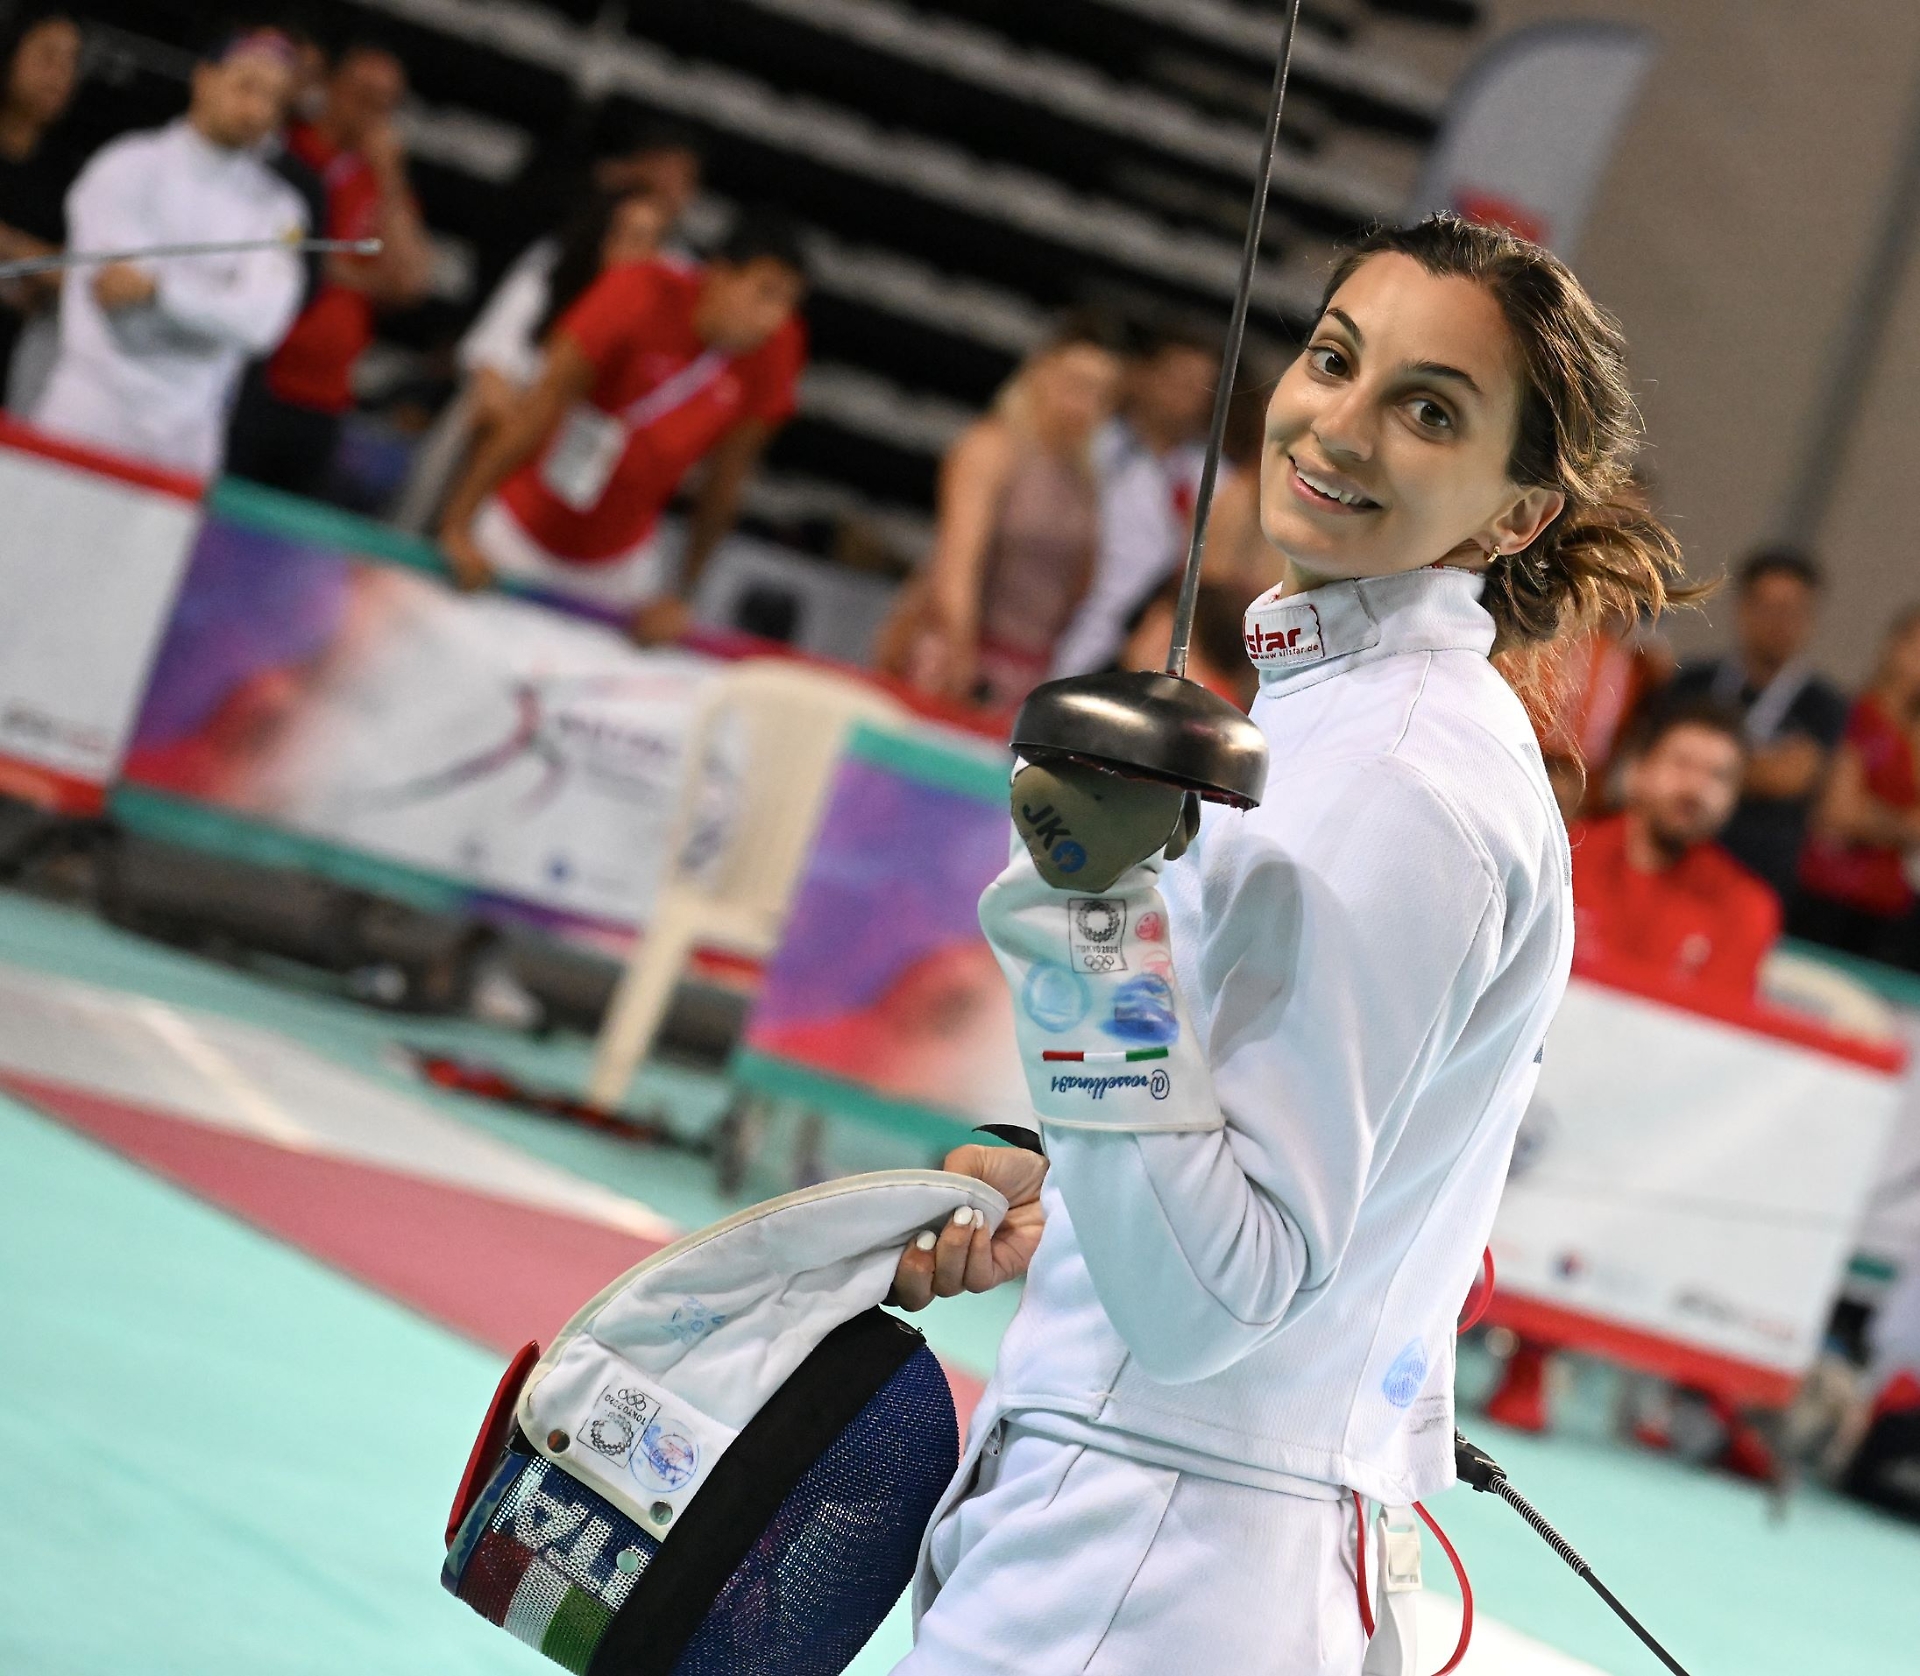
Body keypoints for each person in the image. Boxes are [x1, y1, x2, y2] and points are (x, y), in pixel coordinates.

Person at [886, 215, 1698, 1674]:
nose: (1342, 424)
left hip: (1148, 1566)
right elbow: (1269, 1190)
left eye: (1430, 410)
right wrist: (1074, 1186)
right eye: (1335, 360)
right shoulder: (1354, 722)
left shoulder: (1401, 783)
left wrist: (1081, 927)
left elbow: (1212, 1293)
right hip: (1165, 1535)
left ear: (1517, 514)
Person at [437, 209, 808, 643]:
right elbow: (539, 408)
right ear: (720, 274)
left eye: (787, 302)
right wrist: (458, 525)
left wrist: (681, 595)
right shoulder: (638, 292)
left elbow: (724, 483)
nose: (773, 318)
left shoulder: (778, 347)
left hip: (620, 562)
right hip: (519, 528)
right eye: (765, 293)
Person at [31, 27, 307, 477]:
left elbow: (261, 325)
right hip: (90, 414)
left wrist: (158, 291)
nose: (257, 110)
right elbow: (119, 302)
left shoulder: (280, 208)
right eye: (247, 86)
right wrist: (217, 308)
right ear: (205, 77)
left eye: (274, 99)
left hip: (187, 439)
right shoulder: (126, 165)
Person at [225, 39, 434, 496]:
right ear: (334, 86)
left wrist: (390, 175)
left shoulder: (380, 182)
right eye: (362, 93)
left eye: (384, 103)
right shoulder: (289, 148)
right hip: (253, 374)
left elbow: (411, 282)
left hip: (323, 397)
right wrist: (352, 273)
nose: (370, 110)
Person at [875, 321, 1121, 708]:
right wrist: (959, 653)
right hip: (960, 650)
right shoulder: (992, 449)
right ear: (1041, 373)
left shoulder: (1084, 479)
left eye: (1101, 394)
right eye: (1076, 384)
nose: (1083, 403)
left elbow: (1081, 584)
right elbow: (957, 563)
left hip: (1029, 662)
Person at [391, 186, 666, 531]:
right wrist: (525, 427)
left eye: (649, 241)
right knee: (480, 412)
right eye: (626, 236)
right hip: (510, 428)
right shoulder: (553, 266)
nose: (634, 253)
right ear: (600, 234)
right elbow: (490, 368)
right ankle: (428, 530)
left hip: (573, 450)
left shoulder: (654, 314)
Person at [1665, 549, 1850, 903]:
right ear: (1742, 608)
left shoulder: (1824, 705)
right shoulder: (1692, 682)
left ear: (1810, 617)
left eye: (1792, 610)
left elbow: (1792, 776)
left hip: (1759, 880)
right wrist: (1760, 765)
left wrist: (1695, 765)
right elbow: (1656, 766)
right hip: (1674, 861)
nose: (1779, 622)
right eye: (1768, 606)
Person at [1562, 698, 1779, 999]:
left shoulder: (1746, 905)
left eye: (1718, 776)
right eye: (1681, 764)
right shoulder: (1564, 857)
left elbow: (1712, 1020)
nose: (1695, 788)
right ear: (1637, 769)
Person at [1046, 325, 1217, 679]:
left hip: (1140, 646)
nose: (1187, 395)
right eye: (1177, 379)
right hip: (1054, 614)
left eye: (1200, 387)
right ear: (1142, 376)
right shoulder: (1090, 445)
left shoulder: (1213, 478)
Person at [1794, 606, 1920, 970]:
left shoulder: (1911, 733)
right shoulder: (1854, 715)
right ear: (1895, 645)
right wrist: (1906, 827)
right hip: (1830, 896)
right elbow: (1839, 814)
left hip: (1893, 910)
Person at [0, 7, 81, 410]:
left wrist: (9, 244)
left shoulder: (70, 174)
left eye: (71, 62)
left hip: (15, 361)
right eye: (47, 56)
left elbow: (74, 273)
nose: (59, 75)